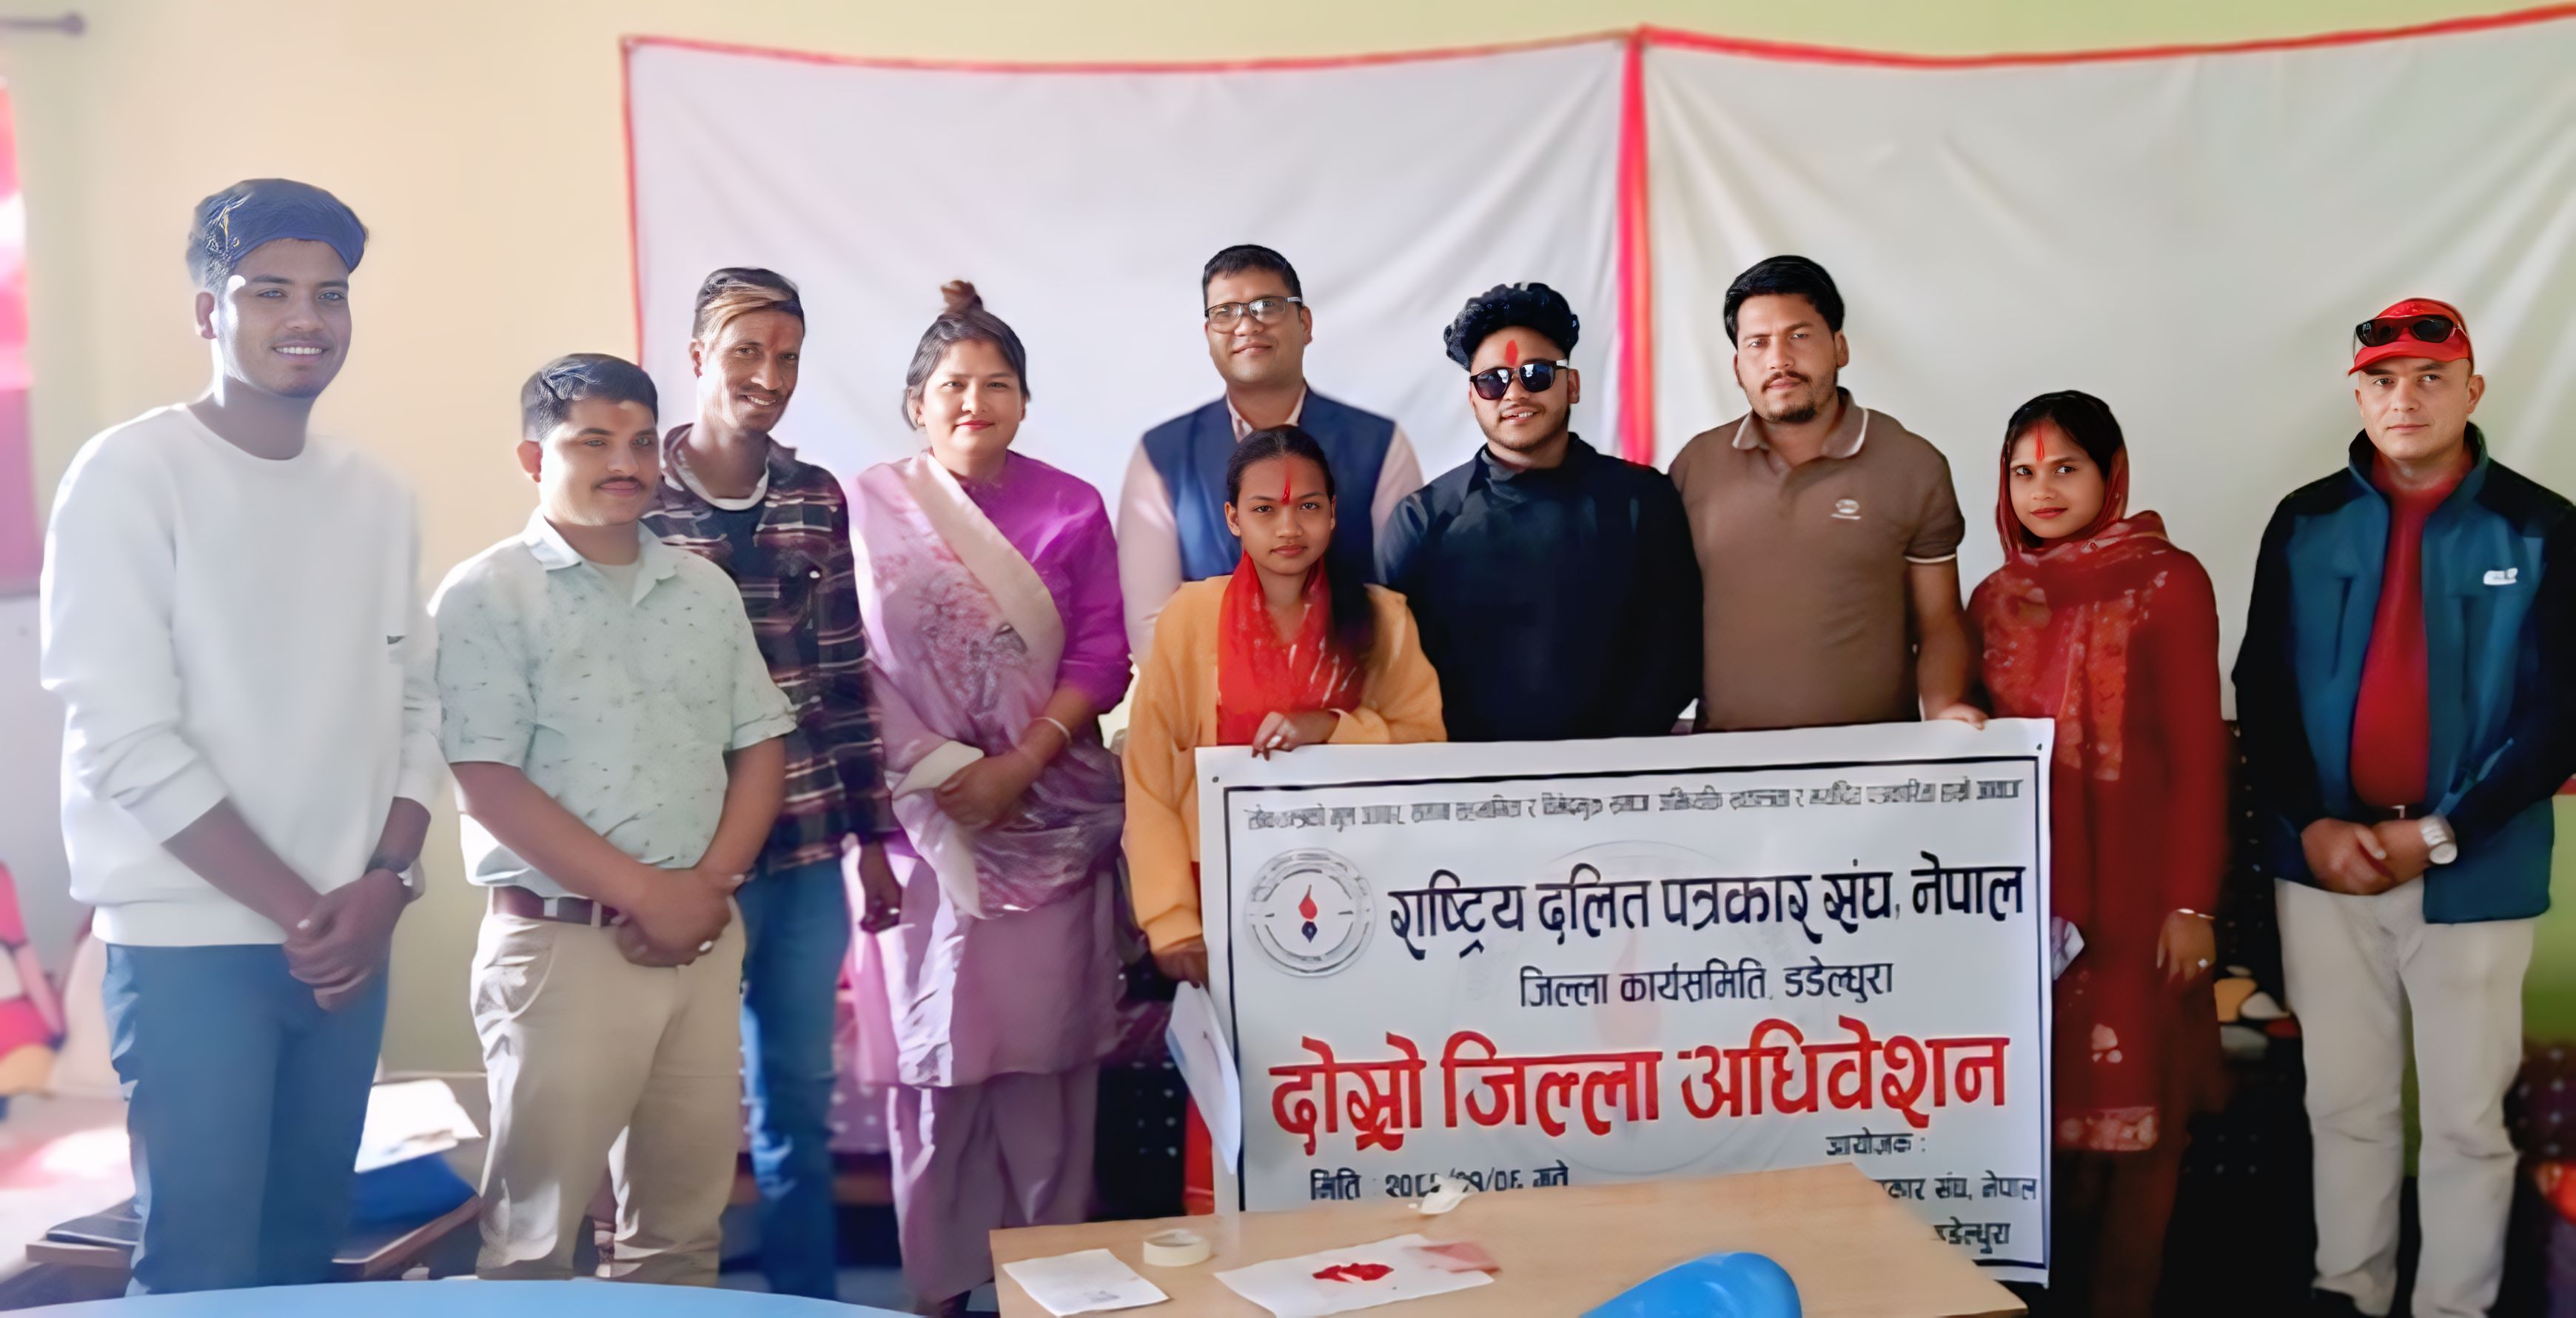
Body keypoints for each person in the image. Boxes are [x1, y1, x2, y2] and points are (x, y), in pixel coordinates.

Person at [40, 179, 439, 1294]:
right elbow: (124, 736)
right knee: (201, 1267)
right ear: (207, 312)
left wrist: (387, 882)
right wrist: (308, 912)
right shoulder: (130, 475)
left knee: (305, 1255)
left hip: (349, 935)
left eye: (329, 293)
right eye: (269, 291)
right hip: (191, 941)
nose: (305, 317)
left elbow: (418, 702)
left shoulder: (378, 493)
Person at [2236, 299, 2576, 1318]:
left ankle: (2454, 1306)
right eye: (2383, 381)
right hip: (2326, 867)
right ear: (2358, 397)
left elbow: (2559, 714)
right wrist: (2315, 824)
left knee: (2468, 1121)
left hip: (2478, 869)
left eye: (2431, 378)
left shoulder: (2542, 527)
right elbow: (2262, 687)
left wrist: (2440, 831)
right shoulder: (2304, 521)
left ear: (2474, 391)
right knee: (2344, 1104)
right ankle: (2349, 1291)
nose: (2406, 399)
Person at [435, 353, 795, 1286]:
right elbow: (486, 777)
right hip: (563, 946)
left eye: (639, 442)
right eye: (592, 442)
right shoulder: (486, 594)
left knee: (683, 1233)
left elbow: (760, 744)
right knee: (533, 1243)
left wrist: (709, 887)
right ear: (533, 458)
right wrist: (648, 895)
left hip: (701, 942)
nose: (624, 464)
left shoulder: (703, 589)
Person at [847, 283, 1131, 1317]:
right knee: (936, 1077)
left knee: (1048, 1070)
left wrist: (1020, 766)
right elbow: (846, 666)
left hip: (1051, 818)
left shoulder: (1072, 507)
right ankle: (937, 1286)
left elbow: (1103, 651)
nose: (975, 402)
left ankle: (1051, 1284)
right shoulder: (864, 509)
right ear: (916, 402)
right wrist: (939, 775)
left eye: (997, 384)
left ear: (1024, 401)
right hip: (920, 833)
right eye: (954, 385)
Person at [641, 267, 902, 1299]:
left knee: (796, 1100)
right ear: (698, 357)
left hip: (806, 851)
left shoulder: (813, 496)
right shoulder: (637, 495)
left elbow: (843, 675)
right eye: (746, 351)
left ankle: (805, 1300)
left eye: (787, 357)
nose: (769, 376)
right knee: (681, 1097)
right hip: (685, 857)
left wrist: (873, 842)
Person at [1124, 424, 1446, 1211]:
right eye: (1266, 509)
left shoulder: (1384, 619)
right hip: (1223, 906)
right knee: (1242, 1097)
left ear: (1335, 514)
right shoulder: (1190, 618)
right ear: (1233, 519)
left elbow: (1427, 752)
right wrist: (1171, 921)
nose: (1288, 527)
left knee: (1349, 1082)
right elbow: (1151, 776)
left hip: (1359, 902)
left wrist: (1335, 727)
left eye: (1308, 507)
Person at [1965, 392, 2226, 1318]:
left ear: (2111, 475)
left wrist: (2191, 905)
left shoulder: (2169, 582)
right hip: (2027, 911)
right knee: (2030, 1125)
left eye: (2066, 468)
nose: (2042, 489)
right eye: (2023, 472)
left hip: (2140, 900)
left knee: (2141, 1131)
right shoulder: (1993, 598)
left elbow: (2198, 756)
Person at [1668, 255, 1982, 731]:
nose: (1779, 360)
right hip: (1726, 763)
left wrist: (1945, 706)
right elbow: (1662, 617)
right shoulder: (1697, 466)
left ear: (1839, 347)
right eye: (1758, 343)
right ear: (1737, 366)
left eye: (1799, 335)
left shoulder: (1912, 465)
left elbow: (1940, 620)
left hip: (1874, 764)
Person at [1380, 282, 1699, 742]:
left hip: (1617, 771)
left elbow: (1677, 653)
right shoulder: (1423, 521)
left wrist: (1603, 760)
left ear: (1572, 385)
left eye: (1535, 374)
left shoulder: (1643, 502)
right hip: (1468, 776)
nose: (1514, 393)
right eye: (1492, 380)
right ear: (1473, 398)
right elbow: (1395, 672)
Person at [1116, 244, 1423, 660]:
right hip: (1204, 695)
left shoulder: (1379, 444)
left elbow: (1402, 604)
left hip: (1350, 690)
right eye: (1225, 312)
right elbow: (1152, 626)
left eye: (1267, 306)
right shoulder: (1162, 455)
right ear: (1209, 337)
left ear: (1305, 323)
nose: (1246, 325)